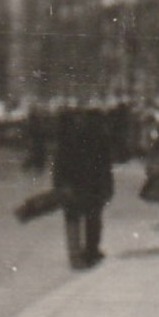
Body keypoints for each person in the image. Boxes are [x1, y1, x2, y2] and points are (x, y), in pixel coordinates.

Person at [53, 103, 115, 269]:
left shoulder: (66, 138)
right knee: (92, 217)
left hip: (72, 183)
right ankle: (91, 251)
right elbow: (105, 165)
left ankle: (76, 255)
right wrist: (107, 186)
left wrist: (59, 184)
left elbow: (59, 164)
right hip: (92, 184)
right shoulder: (100, 136)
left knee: (73, 218)